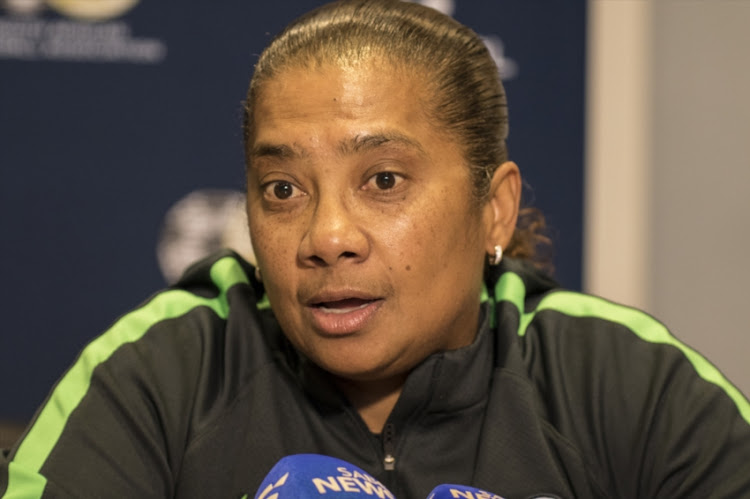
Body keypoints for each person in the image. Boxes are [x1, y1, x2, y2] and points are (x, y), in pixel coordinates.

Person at [2, 1, 749, 497]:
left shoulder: (628, 383)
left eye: (384, 179)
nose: (328, 237)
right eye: (283, 189)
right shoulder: (162, 373)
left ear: (494, 209)